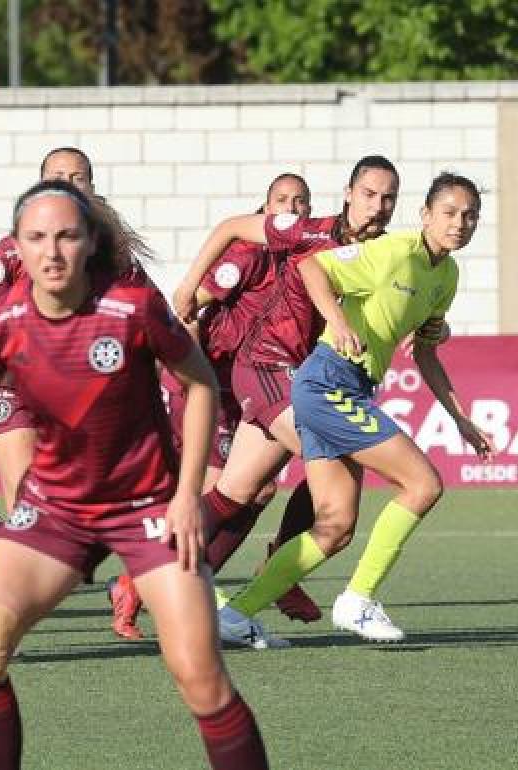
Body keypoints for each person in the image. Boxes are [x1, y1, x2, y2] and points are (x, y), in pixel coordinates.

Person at [0, 180, 268, 769]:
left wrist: (187, 496)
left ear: (88, 243)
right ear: (18, 247)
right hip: (54, 512)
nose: (51, 252)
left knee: (198, 672)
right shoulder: (3, 319)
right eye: (37, 238)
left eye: (66, 236)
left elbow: (201, 383)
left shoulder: (132, 306)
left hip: (148, 509)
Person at [219, 172, 492, 644]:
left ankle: (234, 615)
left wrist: (460, 418)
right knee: (423, 484)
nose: (460, 223)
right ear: (425, 215)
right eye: (449, 212)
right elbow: (313, 268)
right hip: (327, 383)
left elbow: (425, 350)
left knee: (335, 525)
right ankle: (358, 599)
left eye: (470, 215)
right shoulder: (394, 252)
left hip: (347, 389)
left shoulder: (446, 275)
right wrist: (338, 321)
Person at [171, 155, 401, 647]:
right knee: (339, 466)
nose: (377, 207)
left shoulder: (389, 256)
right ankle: (281, 569)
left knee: (243, 488)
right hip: (271, 365)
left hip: (311, 379)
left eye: (388, 199)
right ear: (348, 193)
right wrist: (190, 284)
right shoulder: (308, 232)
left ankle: (156, 578)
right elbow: (231, 226)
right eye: (369, 195)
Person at [105, 172, 313, 640]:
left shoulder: (305, 258)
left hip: (259, 386)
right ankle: (139, 582)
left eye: (301, 201)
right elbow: (188, 308)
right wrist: (192, 375)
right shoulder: (247, 256)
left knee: (255, 492)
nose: (292, 208)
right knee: (228, 492)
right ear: (263, 209)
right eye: (282, 199)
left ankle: (211, 581)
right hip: (216, 387)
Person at [0, 147, 101, 597]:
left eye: (78, 178)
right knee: (26, 505)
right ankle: (1, 605)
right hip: (14, 388)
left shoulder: (108, 253)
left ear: (91, 188)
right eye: (58, 176)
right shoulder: (12, 251)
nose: (68, 183)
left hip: (80, 395)